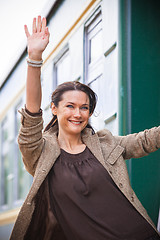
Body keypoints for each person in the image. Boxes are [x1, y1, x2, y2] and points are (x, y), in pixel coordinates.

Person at [10, 16, 160, 240]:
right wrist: (35, 59)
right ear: (54, 108)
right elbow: (31, 116)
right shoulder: (41, 154)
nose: (78, 114)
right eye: (70, 106)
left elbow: (145, 140)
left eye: (84, 108)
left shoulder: (106, 143)